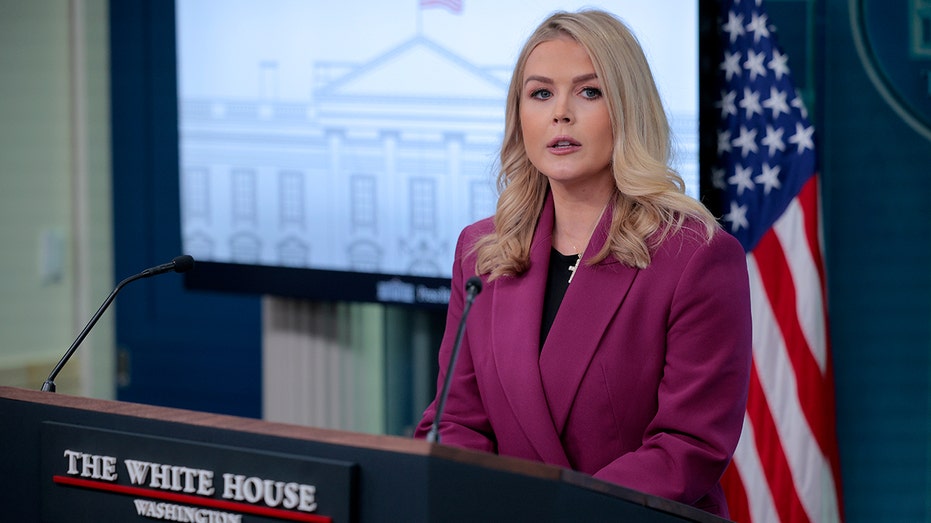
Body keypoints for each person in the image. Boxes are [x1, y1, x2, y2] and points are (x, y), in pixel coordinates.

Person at [414, 9, 752, 519]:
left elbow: (687, 447)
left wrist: (552, 512)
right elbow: (456, 422)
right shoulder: (482, 251)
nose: (561, 114)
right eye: (540, 93)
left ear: (628, 109)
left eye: (589, 92)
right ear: (519, 116)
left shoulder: (696, 256)